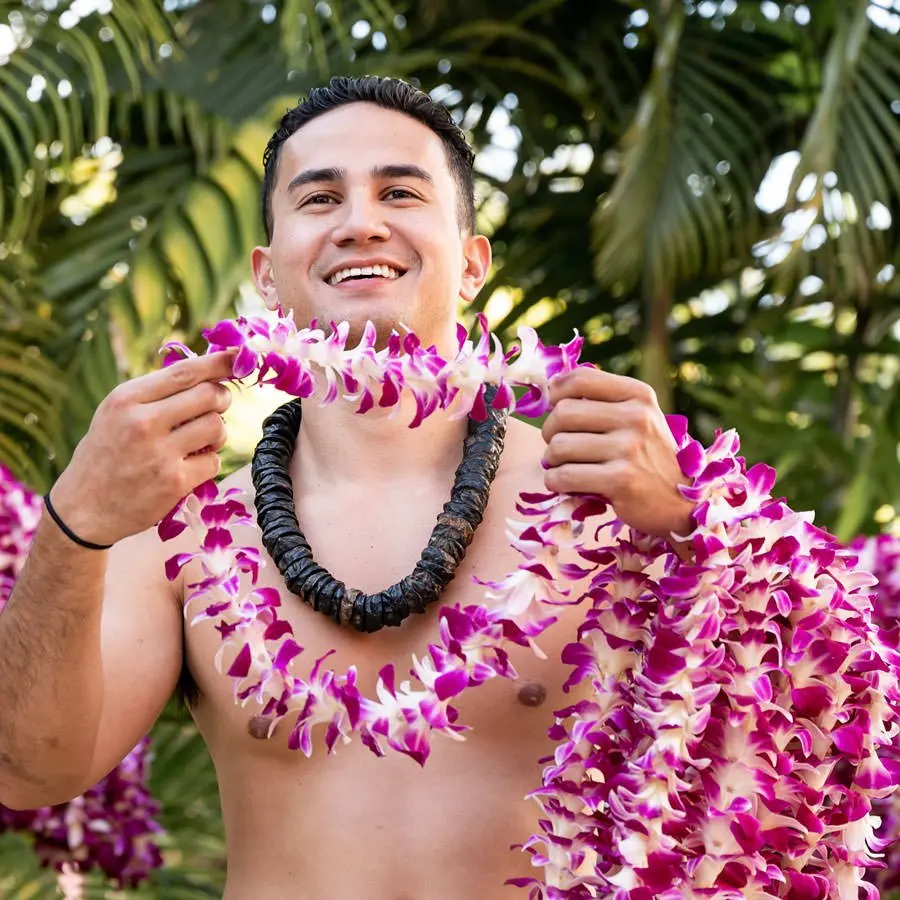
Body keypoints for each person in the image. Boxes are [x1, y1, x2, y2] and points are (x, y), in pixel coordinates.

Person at [0, 76, 694, 899]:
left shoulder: (604, 497)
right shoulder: (181, 534)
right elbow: (26, 772)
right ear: (266, 275)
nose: (360, 222)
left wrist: (688, 531)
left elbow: (805, 749)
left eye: (399, 190)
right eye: (320, 197)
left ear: (473, 263)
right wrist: (74, 524)